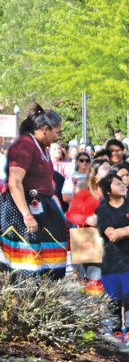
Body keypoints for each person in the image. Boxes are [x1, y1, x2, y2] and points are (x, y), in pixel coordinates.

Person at [1, 105, 69, 278]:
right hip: (22, 210)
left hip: (42, 207)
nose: (57, 137)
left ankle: (45, 301)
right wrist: (27, 215)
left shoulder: (39, 146)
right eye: (56, 132)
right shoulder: (24, 145)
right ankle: (22, 304)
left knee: (50, 266)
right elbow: (15, 183)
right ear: (45, 129)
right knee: (26, 268)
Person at [95, 173, 129, 348]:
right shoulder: (102, 210)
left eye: (122, 182)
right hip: (111, 259)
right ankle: (116, 330)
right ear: (108, 191)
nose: (123, 185)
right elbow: (110, 234)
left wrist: (123, 231)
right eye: (117, 184)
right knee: (114, 297)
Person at [65, 159, 112, 297]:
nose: (109, 170)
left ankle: (111, 316)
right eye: (105, 168)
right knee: (93, 281)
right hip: (89, 240)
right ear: (95, 175)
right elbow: (70, 214)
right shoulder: (84, 194)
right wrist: (86, 219)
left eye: (110, 168)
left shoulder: (118, 193)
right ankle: (95, 315)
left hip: (113, 242)